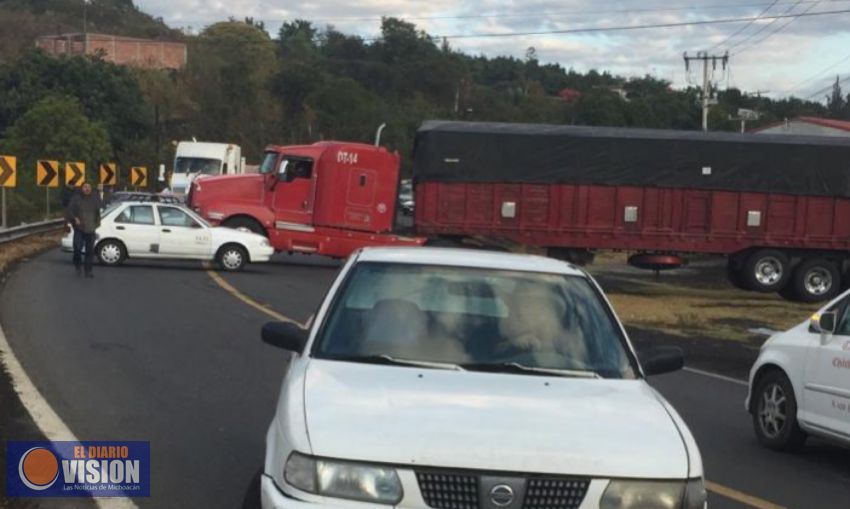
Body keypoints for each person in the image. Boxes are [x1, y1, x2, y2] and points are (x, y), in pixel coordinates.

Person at [66, 183, 102, 278]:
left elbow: (100, 209)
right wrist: (74, 218)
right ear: (82, 188)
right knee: (77, 248)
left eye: (89, 187)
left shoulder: (95, 199)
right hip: (79, 228)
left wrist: (96, 224)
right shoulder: (76, 198)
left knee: (89, 251)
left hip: (91, 228)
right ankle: (77, 265)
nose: (87, 189)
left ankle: (88, 270)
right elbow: (69, 210)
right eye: (85, 187)